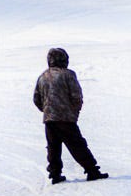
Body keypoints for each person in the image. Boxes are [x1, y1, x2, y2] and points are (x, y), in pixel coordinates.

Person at [34, 46, 107, 183]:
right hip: (66, 118)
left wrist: (48, 111)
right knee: (77, 145)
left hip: (49, 119)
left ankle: (55, 174)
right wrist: (74, 112)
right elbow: (76, 96)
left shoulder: (42, 76)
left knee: (53, 147)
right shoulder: (68, 74)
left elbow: (36, 99)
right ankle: (92, 171)